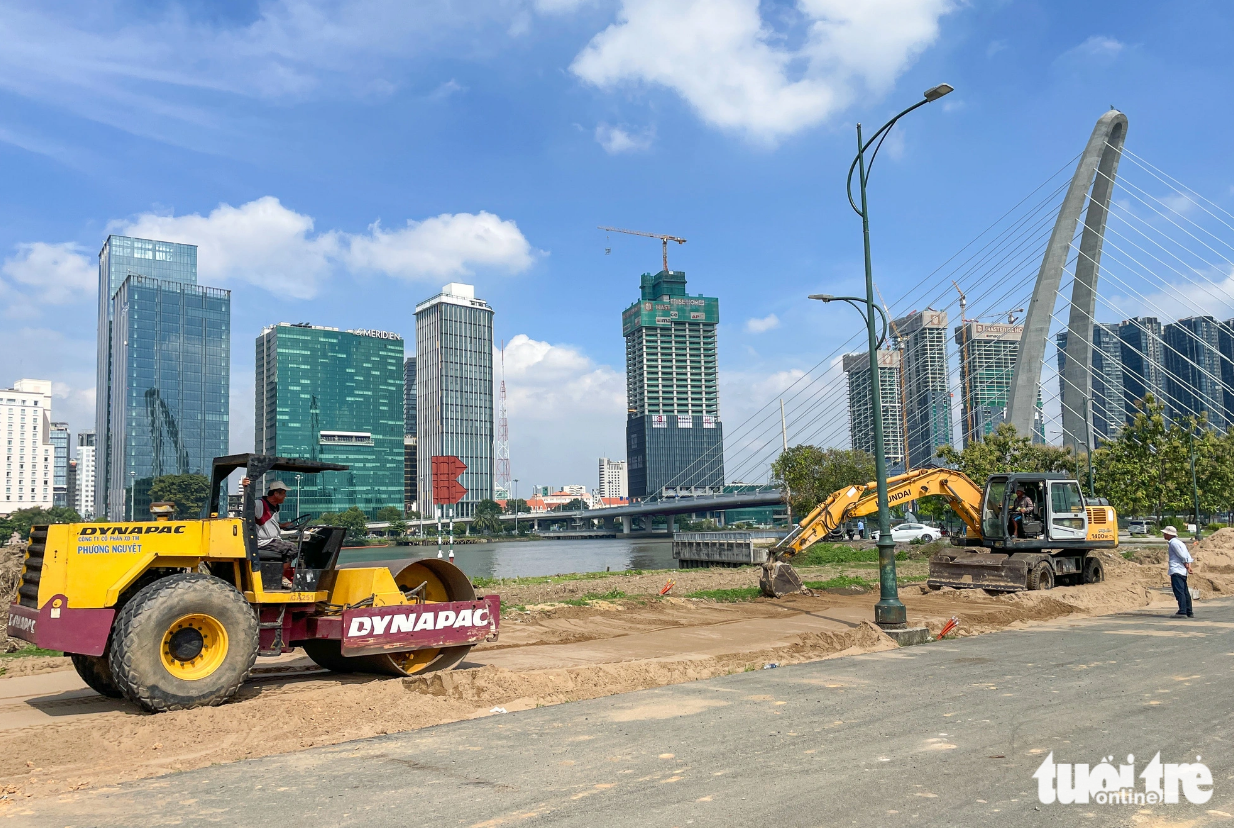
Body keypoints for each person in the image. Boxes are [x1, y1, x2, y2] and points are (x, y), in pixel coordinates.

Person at [242, 478, 298, 588]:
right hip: (264, 541)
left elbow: (269, 523)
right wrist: (246, 488)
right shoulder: (260, 504)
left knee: (293, 548)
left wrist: (282, 525)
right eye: (284, 493)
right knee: (292, 548)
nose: (285, 496)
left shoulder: (276, 507)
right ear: (276, 493)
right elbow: (249, 505)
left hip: (273, 540)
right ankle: (279, 577)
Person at [1164, 525, 1194, 618]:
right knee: (1185, 591)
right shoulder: (1180, 543)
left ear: (1169, 534)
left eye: (1165, 533)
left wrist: (1186, 564)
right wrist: (1188, 566)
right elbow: (1188, 556)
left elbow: (1182, 556)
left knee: (1179, 591)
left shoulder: (1173, 543)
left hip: (1176, 569)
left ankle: (1182, 611)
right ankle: (1189, 611)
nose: (1163, 534)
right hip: (1182, 571)